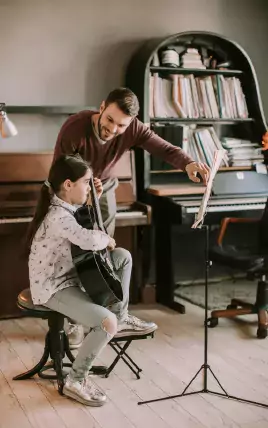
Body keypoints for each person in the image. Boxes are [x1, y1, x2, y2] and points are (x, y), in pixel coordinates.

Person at [53, 87, 210, 347]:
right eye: (110, 120)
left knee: (101, 258)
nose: (113, 129)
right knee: (73, 257)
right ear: (102, 107)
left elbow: (165, 149)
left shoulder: (133, 128)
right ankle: (74, 323)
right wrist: (80, 195)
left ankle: (104, 318)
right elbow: (60, 176)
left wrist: (188, 163)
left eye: (121, 126)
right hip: (70, 188)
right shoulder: (75, 128)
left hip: (103, 189)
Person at [27, 154, 157, 406]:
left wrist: (92, 194)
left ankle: (121, 315)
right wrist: (105, 239)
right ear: (67, 184)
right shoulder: (59, 216)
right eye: (85, 182)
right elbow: (88, 239)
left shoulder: (69, 207)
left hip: (70, 276)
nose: (88, 186)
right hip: (53, 287)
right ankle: (76, 379)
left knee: (122, 257)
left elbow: (86, 222)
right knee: (105, 323)